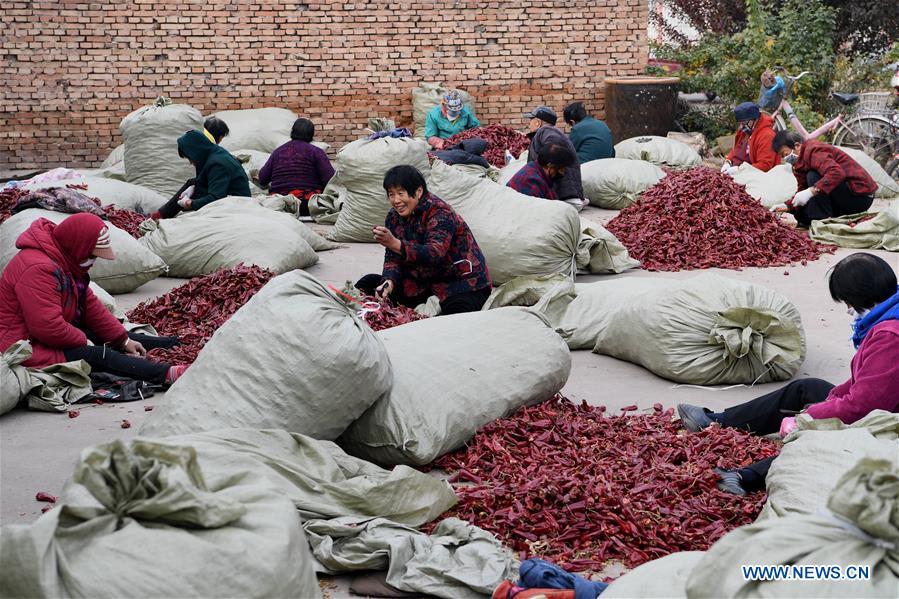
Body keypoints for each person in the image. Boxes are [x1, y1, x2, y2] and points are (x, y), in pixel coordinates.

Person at [677, 253, 899, 495]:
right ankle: (717, 421)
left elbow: (864, 408)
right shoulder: (889, 316)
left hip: (889, 424)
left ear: (860, 296)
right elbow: (868, 381)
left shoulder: (889, 336)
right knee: (807, 388)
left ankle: (744, 478)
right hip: (884, 406)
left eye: (847, 301)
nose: (847, 309)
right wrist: (833, 397)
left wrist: (810, 417)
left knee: (824, 439)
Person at [0, 213, 188, 387]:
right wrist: (84, 341)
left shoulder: (65, 260)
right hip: (22, 346)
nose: (93, 261)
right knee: (96, 354)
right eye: (91, 255)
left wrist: (122, 340)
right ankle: (166, 374)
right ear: (78, 246)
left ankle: (175, 343)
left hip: (42, 335)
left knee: (103, 336)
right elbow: (48, 327)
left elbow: (90, 306)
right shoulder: (38, 268)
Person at [355, 165, 491, 315]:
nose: (396, 200)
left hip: (459, 282)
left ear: (418, 192)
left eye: (401, 193)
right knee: (367, 285)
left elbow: (434, 253)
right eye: (391, 195)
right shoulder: (393, 217)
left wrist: (394, 243)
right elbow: (392, 258)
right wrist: (389, 282)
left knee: (455, 314)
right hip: (422, 283)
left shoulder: (439, 212)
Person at [772, 130, 876, 227]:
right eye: (782, 156)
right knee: (801, 215)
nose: (785, 159)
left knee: (813, 175)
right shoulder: (799, 164)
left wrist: (811, 191)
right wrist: (788, 206)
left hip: (860, 197)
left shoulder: (813, 150)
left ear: (797, 145)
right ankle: (820, 218)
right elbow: (802, 189)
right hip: (844, 195)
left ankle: (822, 220)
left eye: (785, 154)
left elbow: (836, 173)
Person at [151, 130, 251, 220]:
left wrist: (190, 204)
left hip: (237, 203)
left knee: (195, 187)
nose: (190, 162)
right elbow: (203, 181)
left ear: (196, 152)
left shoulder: (217, 164)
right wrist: (194, 188)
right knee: (192, 183)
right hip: (226, 192)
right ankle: (161, 215)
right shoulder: (213, 153)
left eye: (190, 158)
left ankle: (160, 216)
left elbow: (216, 198)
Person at [257, 118, 335, 216]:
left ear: (292, 132)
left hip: (280, 204)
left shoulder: (278, 152)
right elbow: (330, 180)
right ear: (311, 134)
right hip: (307, 205)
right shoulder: (316, 152)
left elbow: (262, 178)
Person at [525, 106, 586, 210]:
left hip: (563, 195)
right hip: (565, 195)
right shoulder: (548, 132)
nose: (528, 124)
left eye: (531, 120)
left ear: (537, 122)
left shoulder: (546, 131)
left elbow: (554, 147)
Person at [721, 102, 780, 175]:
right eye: (740, 123)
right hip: (737, 171)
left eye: (743, 123)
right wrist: (728, 161)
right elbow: (737, 149)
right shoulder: (747, 129)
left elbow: (765, 165)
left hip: (755, 176)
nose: (741, 126)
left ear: (754, 119)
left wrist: (739, 170)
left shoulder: (767, 135)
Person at [506, 142, 576, 201]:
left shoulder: (537, 169)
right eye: (561, 169)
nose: (562, 173)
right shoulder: (531, 181)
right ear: (550, 166)